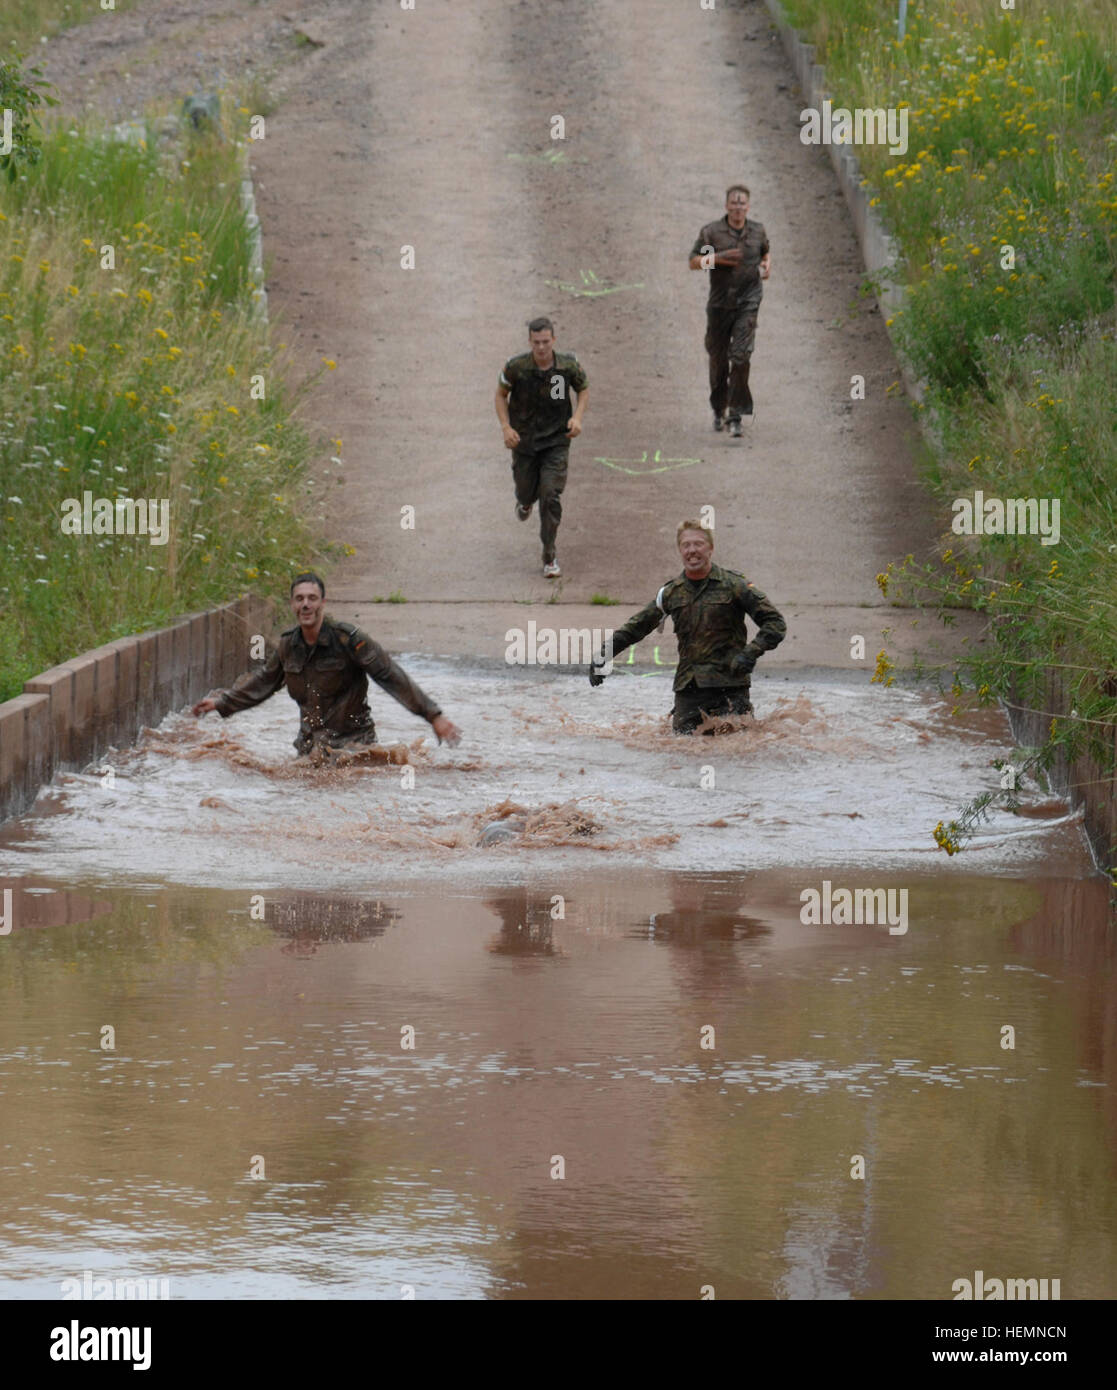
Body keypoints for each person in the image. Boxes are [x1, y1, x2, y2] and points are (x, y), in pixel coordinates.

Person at [192, 572, 461, 755]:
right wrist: (221, 703)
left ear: (323, 602)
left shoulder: (349, 641)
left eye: (311, 598)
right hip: (309, 749)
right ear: (292, 605)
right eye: (299, 599)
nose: (306, 605)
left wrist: (433, 716)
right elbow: (263, 683)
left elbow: (391, 676)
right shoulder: (288, 646)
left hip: (354, 748)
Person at [589, 520, 786, 734]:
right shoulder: (671, 593)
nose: (692, 551)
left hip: (730, 685)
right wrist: (603, 655)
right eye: (686, 545)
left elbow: (775, 623)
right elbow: (637, 627)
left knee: (737, 751)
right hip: (689, 690)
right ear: (680, 550)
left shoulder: (734, 585)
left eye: (698, 544)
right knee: (682, 752)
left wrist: (750, 653)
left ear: (710, 548)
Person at [495, 316, 589, 578]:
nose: (541, 348)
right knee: (526, 491)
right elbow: (500, 395)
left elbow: (583, 389)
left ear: (553, 341)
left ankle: (549, 555)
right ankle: (524, 502)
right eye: (536, 342)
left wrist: (577, 417)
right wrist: (506, 427)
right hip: (524, 442)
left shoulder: (566, 367)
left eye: (546, 342)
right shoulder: (517, 367)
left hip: (556, 441)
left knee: (550, 495)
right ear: (530, 342)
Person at [688, 185, 771, 437]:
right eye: (734, 204)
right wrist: (718, 258)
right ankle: (718, 408)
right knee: (718, 359)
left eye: (742, 203)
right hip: (720, 304)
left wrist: (767, 266)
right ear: (726, 206)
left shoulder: (757, 231)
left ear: (748, 206)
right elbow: (694, 262)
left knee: (741, 356)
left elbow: (765, 252)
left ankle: (736, 415)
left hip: (749, 300)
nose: (738, 208)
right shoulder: (712, 233)